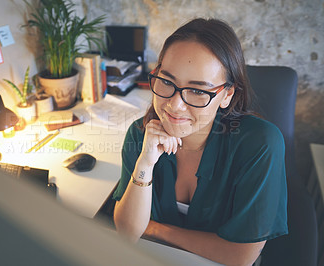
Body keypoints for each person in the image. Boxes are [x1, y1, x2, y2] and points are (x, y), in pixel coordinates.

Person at [112, 18, 288, 265]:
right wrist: (145, 164)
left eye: (197, 90)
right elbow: (128, 232)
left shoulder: (260, 143)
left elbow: (240, 256)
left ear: (227, 94)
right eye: (166, 81)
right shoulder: (142, 134)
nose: (174, 105)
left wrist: (154, 229)